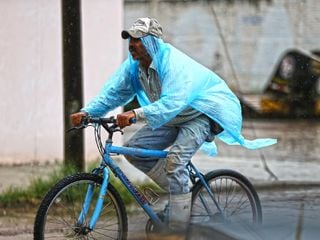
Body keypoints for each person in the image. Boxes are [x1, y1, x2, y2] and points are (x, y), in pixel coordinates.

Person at [70, 17, 276, 231]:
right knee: (134, 151)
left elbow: (172, 102)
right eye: (130, 39)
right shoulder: (134, 66)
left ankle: (178, 228)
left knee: (176, 161)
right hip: (174, 116)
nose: (132, 44)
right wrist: (87, 112)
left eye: (138, 40)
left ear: (152, 42)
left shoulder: (174, 65)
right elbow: (113, 93)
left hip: (203, 113)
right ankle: (181, 193)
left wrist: (135, 114)